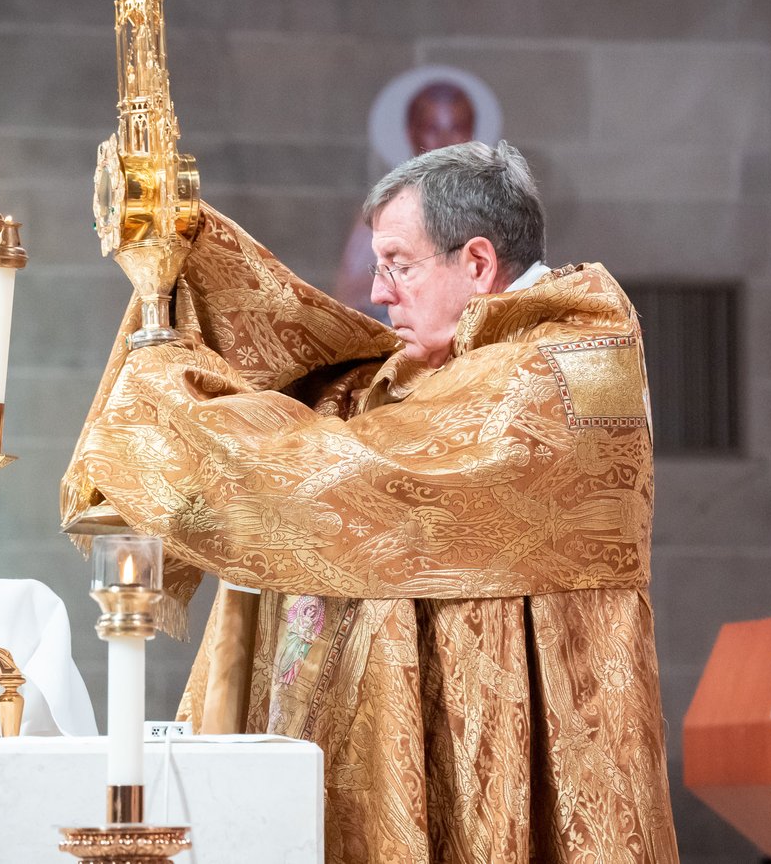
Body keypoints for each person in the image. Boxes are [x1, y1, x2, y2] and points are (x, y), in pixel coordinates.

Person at [63, 141, 678, 863]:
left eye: (399, 263)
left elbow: (362, 476)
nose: (381, 291)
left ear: (476, 264)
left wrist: (176, 401)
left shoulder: (560, 367)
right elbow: (332, 383)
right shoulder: (452, 360)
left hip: (512, 738)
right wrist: (191, 263)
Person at [334, 80, 479, 318]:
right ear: (411, 133)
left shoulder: (490, 206)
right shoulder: (386, 209)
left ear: (471, 133)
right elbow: (348, 300)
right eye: (433, 129)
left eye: (456, 128)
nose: (445, 141)